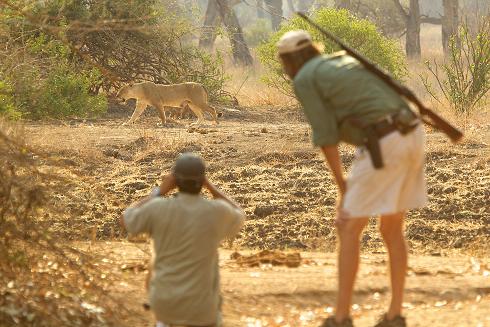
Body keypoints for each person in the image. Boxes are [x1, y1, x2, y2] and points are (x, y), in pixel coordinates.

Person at [276, 30, 427, 327]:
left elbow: (326, 137)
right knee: (392, 228)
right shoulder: (342, 61)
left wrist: (342, 186)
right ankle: (395, 315)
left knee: (347, 225)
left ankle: (341, 317)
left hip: (385, 142)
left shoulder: (305, 78)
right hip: (412, 133)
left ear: (289, 60)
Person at [121, 153, 245, 327]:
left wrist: (159, 192)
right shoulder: (217, 212)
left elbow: (126, 218)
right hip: (203, 309)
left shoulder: (158, 208)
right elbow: (239, 213)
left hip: (165, 305)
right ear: (202, 182)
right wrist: (212, 188)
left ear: (175, 181)